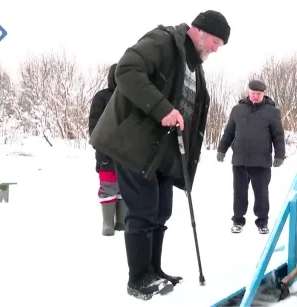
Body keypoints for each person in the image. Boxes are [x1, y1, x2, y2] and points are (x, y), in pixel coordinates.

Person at [89, 10, 230, 300]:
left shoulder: (195, 69)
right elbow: (126, 70)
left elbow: (190, 115)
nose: (217, 49)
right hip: (134, 144)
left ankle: (154, 270)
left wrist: (191, 156)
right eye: (216, 41)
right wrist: (161, 108)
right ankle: (138, 278)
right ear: (199, 31)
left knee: (161, 211)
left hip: (165, 154)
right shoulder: (163, 41)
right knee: (142, 211)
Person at [216, 80, 286, 235]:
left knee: (262, 193)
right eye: (253, 93)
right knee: (239, 192)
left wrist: (280, 154)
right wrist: (222, 149)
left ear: (264, 94)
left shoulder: (272, 112)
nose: (256, 96)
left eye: (259, 94)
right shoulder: (237, 109)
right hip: (240, 160)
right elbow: (229, 132)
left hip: (261, 162)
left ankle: (262, 222)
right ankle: (238, 221)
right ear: (249, 92)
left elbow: (278, 135)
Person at [88, 63, 127, 236]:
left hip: (128, 151)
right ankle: (107, 223)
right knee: (108, 185)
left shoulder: (133, 97)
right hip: (107, 150)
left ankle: (121, 220)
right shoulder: (101, 97)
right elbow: (94, 125)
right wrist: (100, 148)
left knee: (125, 186)